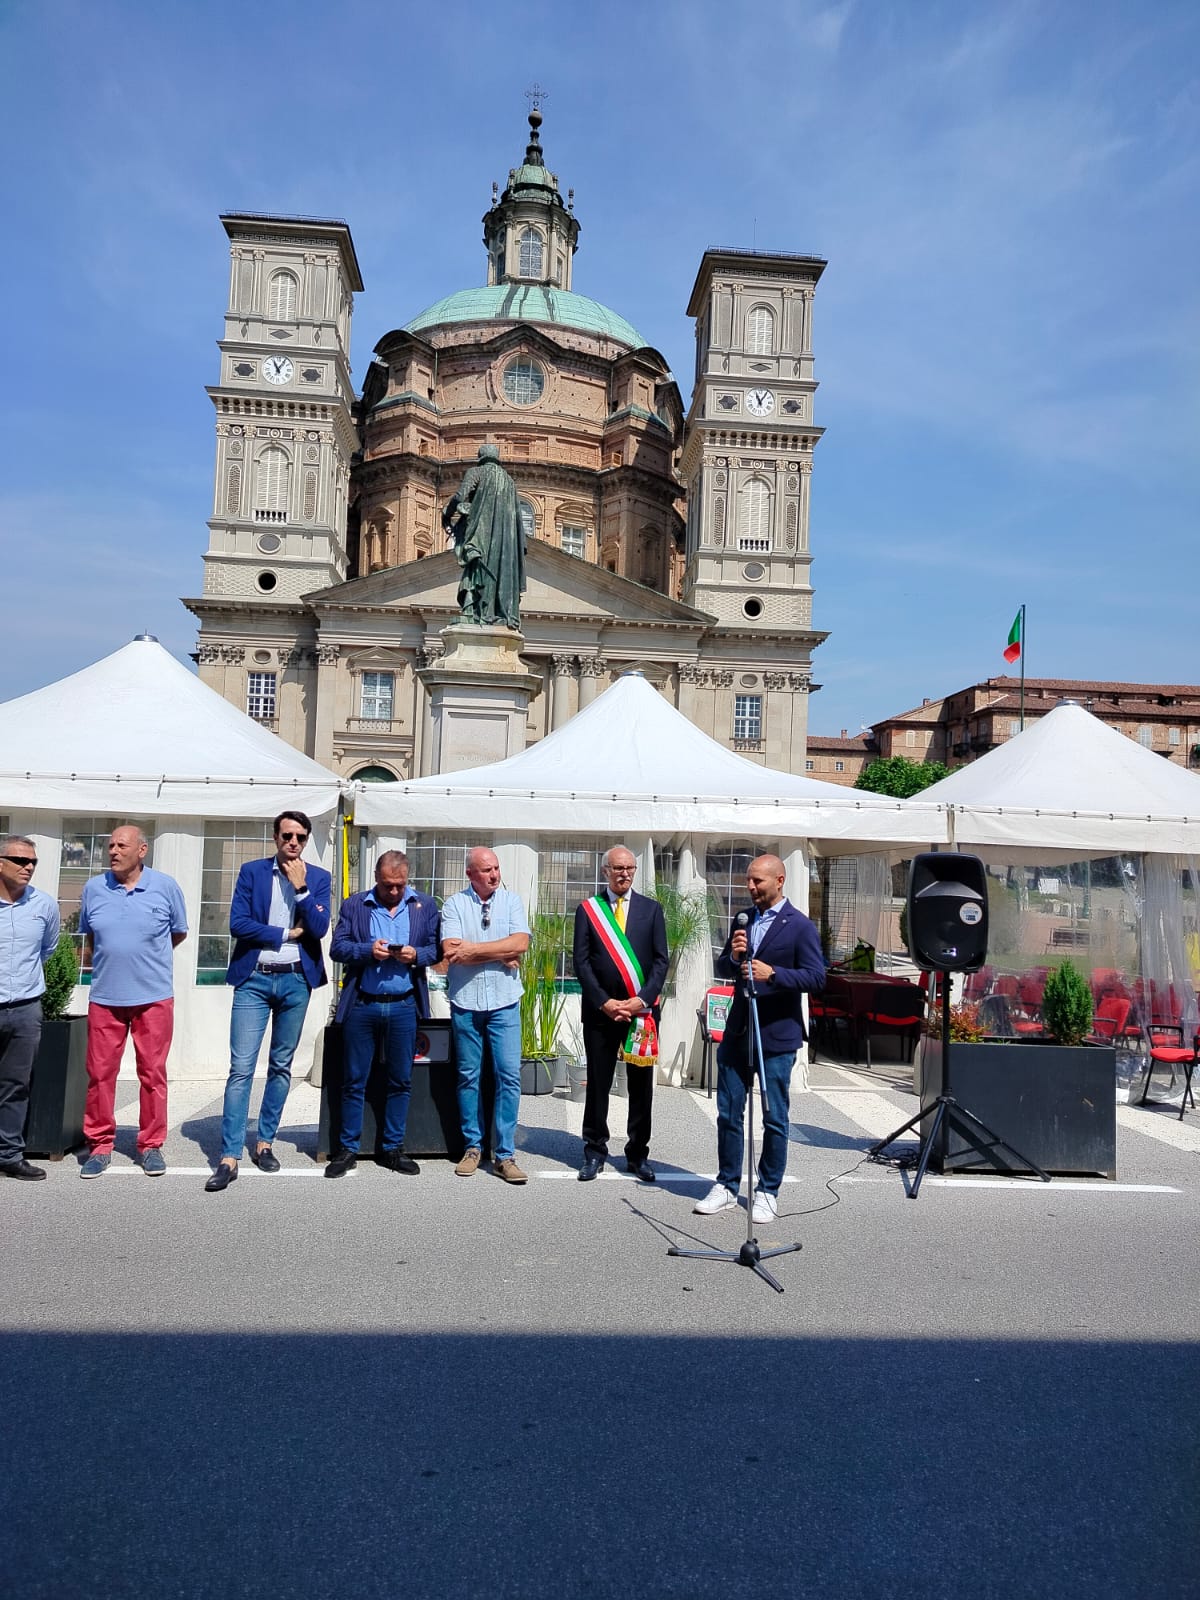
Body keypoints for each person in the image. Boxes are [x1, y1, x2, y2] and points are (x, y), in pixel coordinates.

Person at [694, 853, 825, 1223]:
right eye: (748, 880)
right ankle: (726, 1184)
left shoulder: (800, 926)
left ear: (779, 880)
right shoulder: (744, 919)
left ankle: (767, 1190)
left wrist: (775, 974)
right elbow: (724, 965)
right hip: (739, 1031)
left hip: (777, 1034)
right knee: (728, 1113)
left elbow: (817, 977)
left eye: (758, 881)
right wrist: (735, 958)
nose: (750, 887)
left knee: (774, 1117)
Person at [205, 811, 330, 1193]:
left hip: (296, 980)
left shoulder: (318, 877)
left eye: (300, 837)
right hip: (254, 979)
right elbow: (238, 924)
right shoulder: (253, 872)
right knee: (241, 1068)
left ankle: (264, 1142)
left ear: (306, 840)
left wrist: (302, 889)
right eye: (287, 835)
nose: (293, 842)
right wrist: (285, 933)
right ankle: (229, 1156)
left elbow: (319, 929)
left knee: (281, 1065)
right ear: (276, 837)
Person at [78, 825, 188, 1178]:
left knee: (152, 1073)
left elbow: (178, 932)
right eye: (110, 845)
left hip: (153, 998)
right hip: (105, 999)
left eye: (121, 845)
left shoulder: (166, 887)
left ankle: (151, 1145)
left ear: (142, 850)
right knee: (99, 1075)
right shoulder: (94, 889)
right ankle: (99, 1145)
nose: (113, 851)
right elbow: (91, 937)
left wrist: (145, 959)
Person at [325, 851, 440, 1178]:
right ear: (376, 878)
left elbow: (437, 949)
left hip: (404, 1004)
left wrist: (415, 955)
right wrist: (367, 951)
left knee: (401, 1080)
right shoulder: (355, 905)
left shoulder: (424, 905)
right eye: (387, 885)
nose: (393, 891)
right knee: (354, 1079)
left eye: (399, 885)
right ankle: (347, 1148)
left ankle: (393, 1148)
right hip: (363, 1003)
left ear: (407, 879)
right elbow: (337, 948)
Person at [572, 846, 669, 1182]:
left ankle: (638, 1154)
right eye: (618, 868)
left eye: (629, 868)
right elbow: (581, 962)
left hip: (641, 1014)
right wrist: (605, 1002)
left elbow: (661, 962)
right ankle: (594, 1151)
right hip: (601, 1013)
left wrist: (641, 1000)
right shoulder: (589, 910)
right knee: (598, 1084)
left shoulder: (651, 910)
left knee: (641, 1088)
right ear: (605, 871)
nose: (624, 874)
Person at [441, 846, 530, 1183]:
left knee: (509, 1076)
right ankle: (472, 1147)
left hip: (505, 1002)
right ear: (470, 874)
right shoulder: (454, 905)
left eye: (496, 868)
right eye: (486, 870)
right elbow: (451, 952)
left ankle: (505, 1155)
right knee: (468, 1076)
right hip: (466, 1002)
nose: (494, 875)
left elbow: (520, 944)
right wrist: (500, 952)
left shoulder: (512, 902)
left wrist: (474, 949)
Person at [0, 836, 61, 1180]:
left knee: (16, 1085)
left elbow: (47, 949)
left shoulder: (44, 906)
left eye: (33, 862)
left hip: (25, 1009)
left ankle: (8, 1155)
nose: (28, 867)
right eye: (20, 860)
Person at [442, 443, 525, 629]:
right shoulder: (510, 482)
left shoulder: (476, 472)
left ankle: (473, 611)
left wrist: (447, 513)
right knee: (497, 571)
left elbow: (460, 496)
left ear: (480, 457)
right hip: (505, 543)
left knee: (476, 567)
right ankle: (497, 612)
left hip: (480, 531)